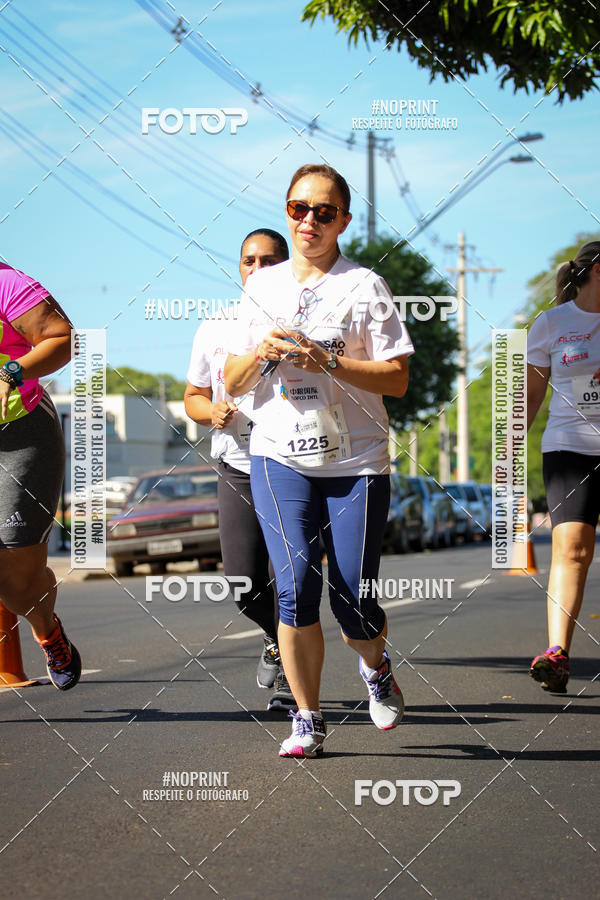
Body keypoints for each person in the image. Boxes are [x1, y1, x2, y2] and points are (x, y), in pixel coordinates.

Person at [225, 163, 413, 757]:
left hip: (356, 460)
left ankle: (375, 665)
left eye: (324, 211)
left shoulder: (365, 287)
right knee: (295, 590)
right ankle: (307, 717)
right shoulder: (261, 288)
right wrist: (262, 352)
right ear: (286, 211)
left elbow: (399, 378)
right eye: (298, 208)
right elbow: (230, 379)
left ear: (344, 221)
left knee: (353, 598)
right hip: (280, 455)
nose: (309, 220)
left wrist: (326, 361)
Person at [185, 228, 295, 710]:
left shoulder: (303, 320)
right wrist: (211, 413)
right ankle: (274, 639)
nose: (258, 269)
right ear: (239, 268)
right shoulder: (215, 327)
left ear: (286, 265)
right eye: (249, 260)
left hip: (292, 466)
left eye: (269, 260)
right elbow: (193, 397)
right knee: (244, 584)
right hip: (236, 465)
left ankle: (294, 685)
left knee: (289, 579)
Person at [0, 262, 81, 690]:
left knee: (15, 581)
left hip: (19, 432)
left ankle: (48, 631)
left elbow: (63, 340)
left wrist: (11, 372)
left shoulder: (6, 284)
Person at [527, 240, 600, 693]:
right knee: (571, 547)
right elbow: (530, 396)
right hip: (568, 447)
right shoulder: (552, 323)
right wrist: (508, 452)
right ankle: (557, 655)